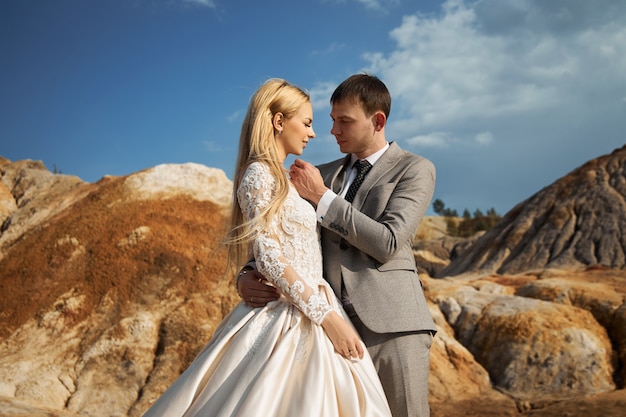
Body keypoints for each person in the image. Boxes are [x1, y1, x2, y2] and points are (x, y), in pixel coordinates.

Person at [142, 78, 392, 417]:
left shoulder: (290, 179)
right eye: (306, 122)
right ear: (278, 121)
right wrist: (328, 319)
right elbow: (269, 254)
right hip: (291, 314)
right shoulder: (259, 174)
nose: (315, 133)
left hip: (315, 303)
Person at [237, 74, 437, 417]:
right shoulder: (317, 172)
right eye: (331, 121)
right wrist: (247, 273)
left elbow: (388, 241)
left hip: (392, 327)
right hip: (324, 328)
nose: (333, 131)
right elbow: (281, 233)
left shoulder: (414, 169)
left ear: (378, 121)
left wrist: (323, 197)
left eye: (345, 121)